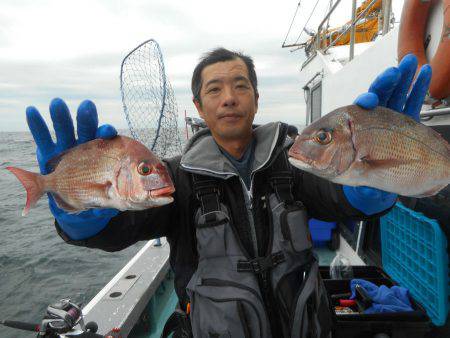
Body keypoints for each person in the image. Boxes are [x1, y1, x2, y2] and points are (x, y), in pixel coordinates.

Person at [26, 48, 431, 338]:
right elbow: (123, 227)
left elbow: (336, 196)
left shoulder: (294, 157)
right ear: (200, 107)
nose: (230, 98)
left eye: (240, 86)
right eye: (215, 90)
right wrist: (79, 212)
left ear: (257, 98)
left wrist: (374, 179)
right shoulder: (175, 176)